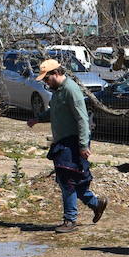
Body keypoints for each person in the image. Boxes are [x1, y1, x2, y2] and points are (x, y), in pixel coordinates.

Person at [28, 59, 107, 234]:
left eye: (46, 79)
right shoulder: (57, 91)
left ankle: (69, 220)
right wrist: (38, 118)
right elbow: (55, 111)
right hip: (62, 142)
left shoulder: (71, 90)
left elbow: (82, 119)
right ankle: (96, 204)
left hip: (73, 142)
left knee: (67, 181)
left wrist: (83, 145)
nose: (46, 83)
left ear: (56, 73)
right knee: (73, 182)